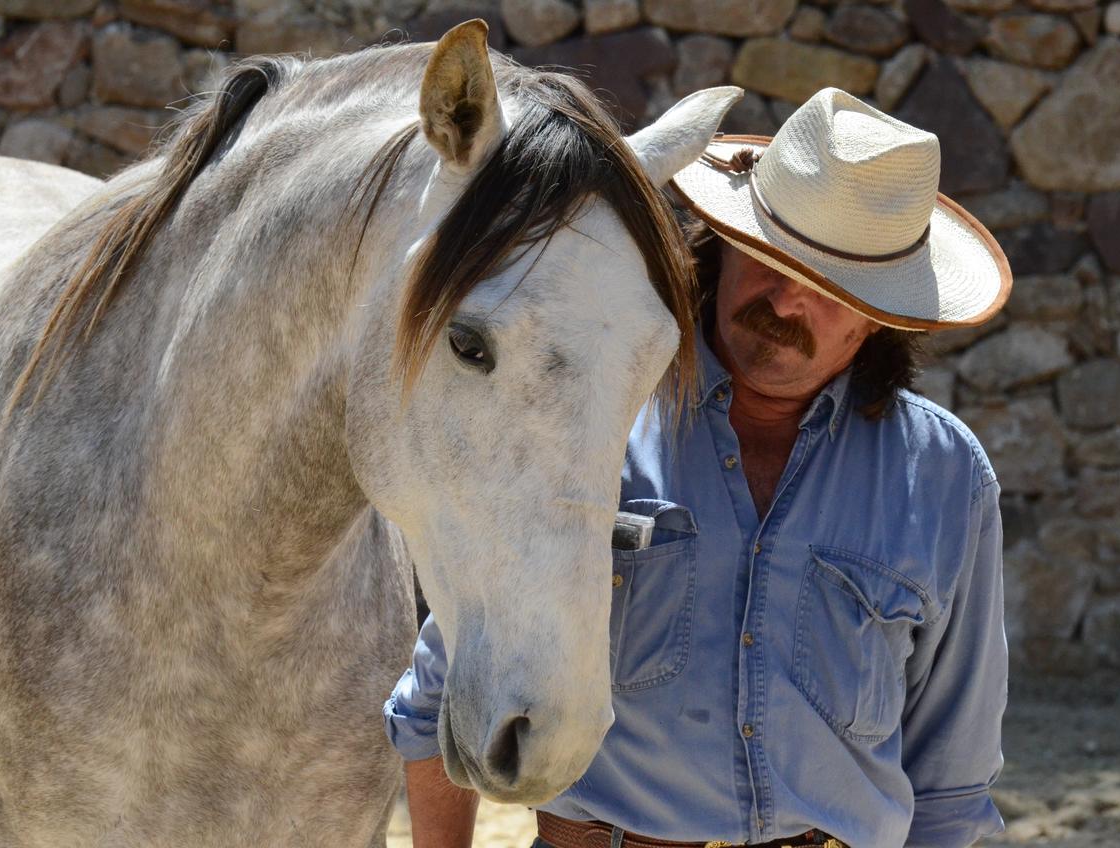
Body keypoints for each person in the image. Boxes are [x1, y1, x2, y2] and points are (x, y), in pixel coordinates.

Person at [384, 88, 1012, 848]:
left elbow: (953, 783)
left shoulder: (945, 479)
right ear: (724, 240)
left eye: (828, 287)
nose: (785, 297)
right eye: (772, 257)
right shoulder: (587, 420)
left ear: (880, 313)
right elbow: (435, 699)